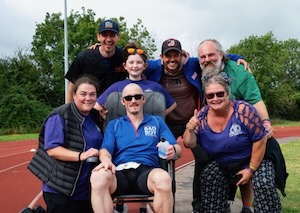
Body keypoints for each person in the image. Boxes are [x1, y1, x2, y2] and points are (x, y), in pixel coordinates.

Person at [191, 39, 287, 213]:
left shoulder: (240, 76)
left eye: (211, 55)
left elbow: (256, 101)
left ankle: (248, 208)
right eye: (202, 56)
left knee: (262, 182)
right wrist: (190, 128)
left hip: (249, 138)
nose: (206, 59)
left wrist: (265, 122)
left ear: (221, 55)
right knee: (208, 174)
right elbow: (189, 142)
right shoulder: (198, 69)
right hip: (226, 145)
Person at [90, 83, 183, 213]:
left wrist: (172, 150)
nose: (133, 101)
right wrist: (106, 160)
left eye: (137, 97)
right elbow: (105, 149)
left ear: (143, 99)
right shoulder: (114, 125)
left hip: (147, 173)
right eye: (128, 98)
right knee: (97, 177)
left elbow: (178, 149)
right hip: (119, 174)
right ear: (123, 102)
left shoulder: (156, 122)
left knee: (164, 178)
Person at [28, 75, 104, 213]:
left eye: (92, 94)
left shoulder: (94, 116)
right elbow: (53, 149)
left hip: (85, 189)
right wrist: (81, 155)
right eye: (83, 94)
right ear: (74, 95)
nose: (88, 98)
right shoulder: (60, 115)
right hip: (60, 188)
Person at [94, 42, 177, 117]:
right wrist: (106, 117)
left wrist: (158, 118)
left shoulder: (154, 87)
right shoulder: (117, 86)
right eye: (131, 62)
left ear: (145, 66)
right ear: (125, 66)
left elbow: (172, 105)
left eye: (139, 62)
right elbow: (97, 105)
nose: (135, 66)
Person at [65, 19, 127, 103]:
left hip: (116, 108)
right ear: (98, 37)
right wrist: (68, 111)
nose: (108, 39)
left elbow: (140, 66)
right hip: (89, 107)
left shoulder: (125, 57)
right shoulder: (84, 57)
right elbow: (71, 87)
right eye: (104, 35)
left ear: (118, 37)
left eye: (112, 35)